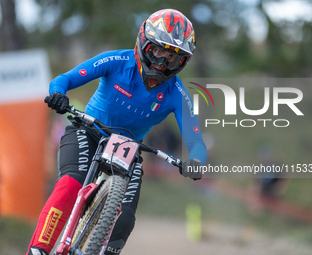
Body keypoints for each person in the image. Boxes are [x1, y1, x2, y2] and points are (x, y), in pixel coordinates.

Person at [27, 9, 207, 255]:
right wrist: (58, 93)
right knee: (71, 184)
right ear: (144, 44)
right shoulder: (116, 61)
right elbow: (64, 79)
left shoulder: (178, 95)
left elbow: (196, 140)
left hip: (130, 150)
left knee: (124, 220)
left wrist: (197, 161)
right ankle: (37, 249)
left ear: (182, 62)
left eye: (172, 59)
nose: (161, 64)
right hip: (89, 131)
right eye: (157, 52)